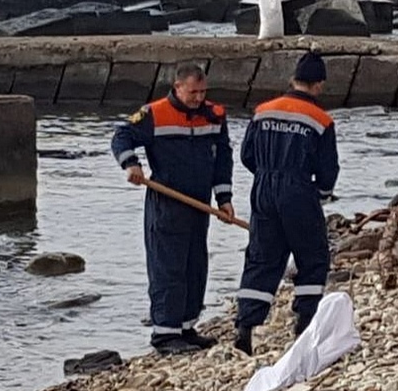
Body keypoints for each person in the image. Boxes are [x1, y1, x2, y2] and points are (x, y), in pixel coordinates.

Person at [111, 63, 235, 355]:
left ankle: (186, 327)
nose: (198, 98)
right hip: (167, 202)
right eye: (193, 92)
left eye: (203, 92)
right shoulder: (154, 114)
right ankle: (165, 334)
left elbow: (223, 158)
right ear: (178, 87)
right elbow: (121, 136)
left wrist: (224, 198)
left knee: (195, 264)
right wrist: (131, 164)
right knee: (168, 266)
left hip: (199, 202)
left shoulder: (214, 115)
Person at [234, 52, 340, 356]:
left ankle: (246, 325)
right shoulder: (321, 120)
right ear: (319, 84)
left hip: (264, 188)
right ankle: (304, 321)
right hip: (297, 190)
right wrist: (321, 193)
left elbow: (246, 156)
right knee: (312, 255)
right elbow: (328, 169)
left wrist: (267, 176)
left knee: (261, 256)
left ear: (293, 79)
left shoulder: (263, 111)